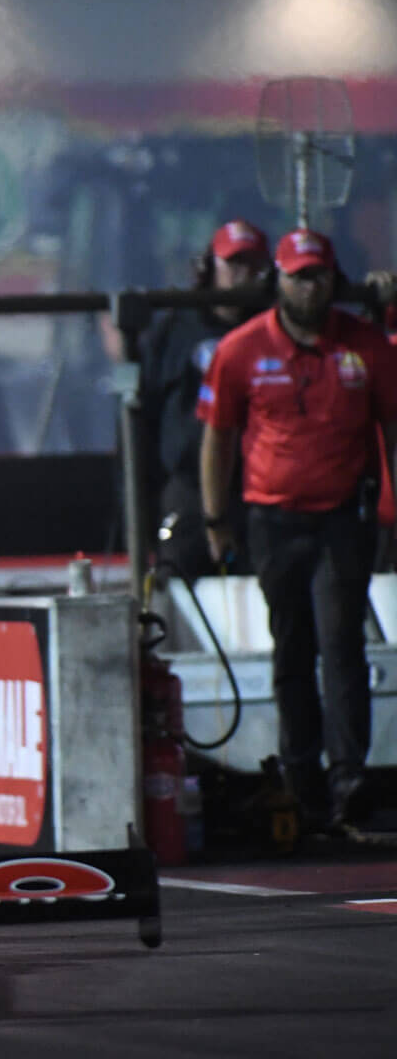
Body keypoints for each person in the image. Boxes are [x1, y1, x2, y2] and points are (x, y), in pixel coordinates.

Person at [198, 228, 394, 836]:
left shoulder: (366, 346)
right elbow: (218, 436)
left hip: (342, 516)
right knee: (292, 648)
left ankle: (348, 777)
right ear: (279, 280)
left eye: (318, 275)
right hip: (272, 518)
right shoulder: (240, 349)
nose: (309, 286)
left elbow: (393, 425)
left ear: (333, 279)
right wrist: (215, 517)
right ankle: (303, 778)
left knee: (342, 645)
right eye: (298, 275)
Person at [140, 221, 272, 580]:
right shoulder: (173, 329)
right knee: (174, 583)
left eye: (252, 265)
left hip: (257, 490)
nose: (242, 275)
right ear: (210, 266)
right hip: (186, 489)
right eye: (233, 263)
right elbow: (145, 418)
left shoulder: (277, 328)